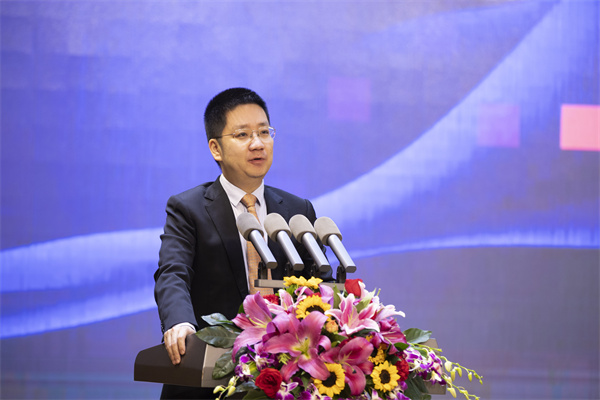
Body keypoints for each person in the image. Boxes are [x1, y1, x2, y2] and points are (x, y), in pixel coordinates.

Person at [154, 88, 328, 399]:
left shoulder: (298, 210)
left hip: (284, 381)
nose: (257, 143)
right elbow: (173, 273)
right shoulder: (188, 209)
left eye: (264, 132)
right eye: (242, 134)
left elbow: (318, 287)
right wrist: (180, 322)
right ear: (216, 148)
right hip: (208, 379)